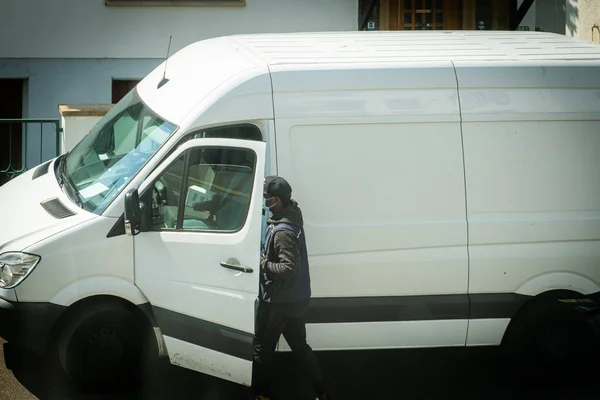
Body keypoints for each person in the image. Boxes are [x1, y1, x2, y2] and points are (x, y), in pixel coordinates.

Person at [251, 176, 329, 400]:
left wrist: (262, 263)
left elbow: (289, 269)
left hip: (278, 302)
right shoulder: (292, 217)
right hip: (294, 301)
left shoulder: (283, 232)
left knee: (262, 352)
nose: (265, 204)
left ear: (277, 200)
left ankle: (261, 396)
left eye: (268, 200)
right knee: (300, 347)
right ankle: (321, 393)